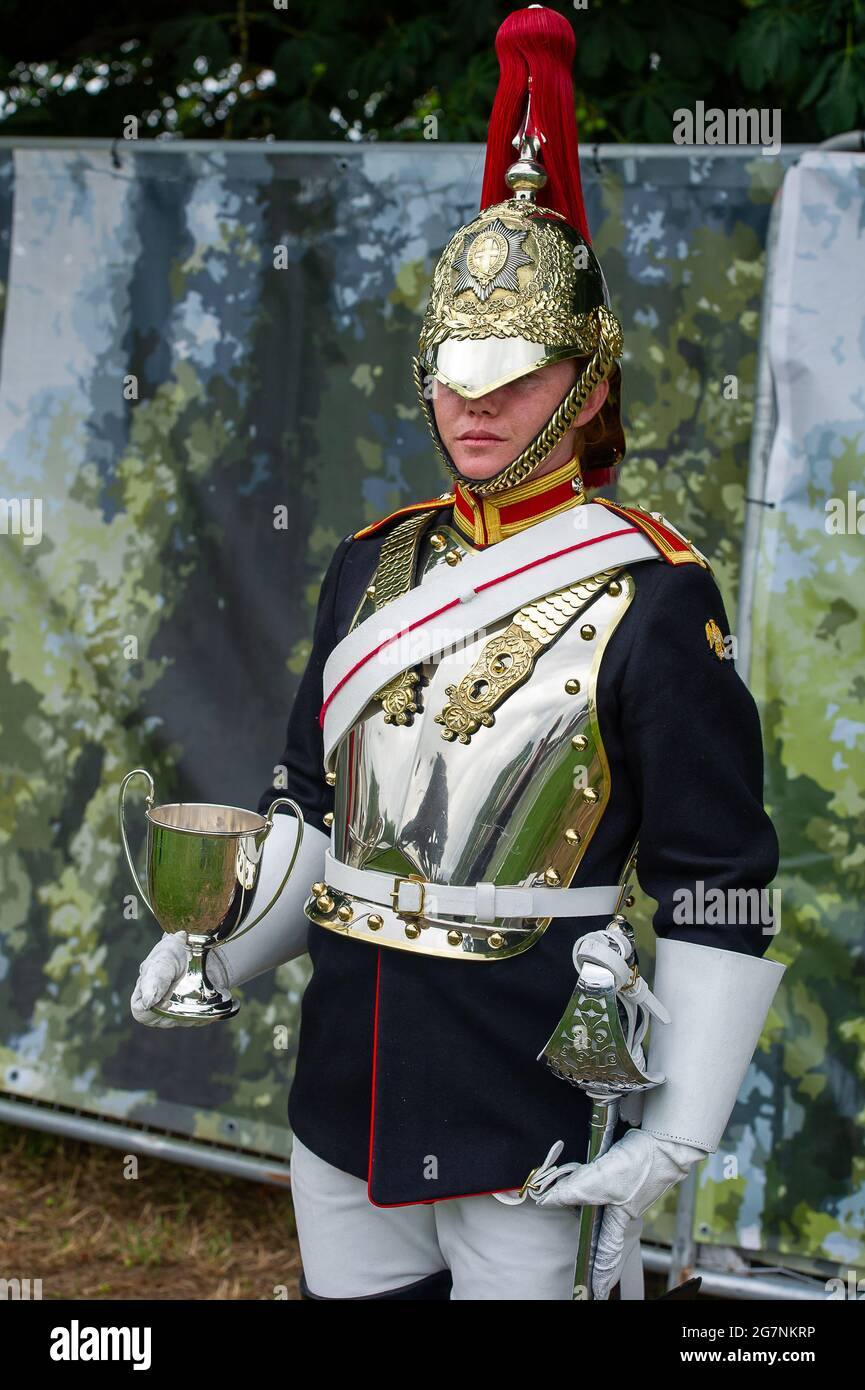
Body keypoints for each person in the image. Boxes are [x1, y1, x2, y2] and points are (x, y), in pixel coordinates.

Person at [131, 5, 785, 1301]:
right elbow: (312, 813)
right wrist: (221, 948)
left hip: (527, 1078)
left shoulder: (655, 591)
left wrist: (680, 1127)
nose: (473, 404)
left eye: (516, 372)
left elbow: (716, 875)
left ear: (587, 383)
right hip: (349, 1071)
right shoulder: (364, 565)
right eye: (452, 370)